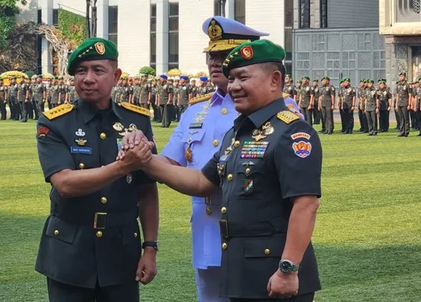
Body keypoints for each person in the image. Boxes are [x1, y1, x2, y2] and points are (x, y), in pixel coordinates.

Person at [119, 39, 321, 302]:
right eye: (232, 78)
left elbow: (305, 205)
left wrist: (288, 268)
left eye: (243, 78)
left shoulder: (292, 132)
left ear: (274, 80)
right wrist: (144, 159)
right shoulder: (238, 134)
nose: (234, 86)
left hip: (275, 272)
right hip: (239, 267)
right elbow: (202, 181)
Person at [35, 37, 159, 302]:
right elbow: (65, 184)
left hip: (121, 250)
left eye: (97, 70)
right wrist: (121, 166)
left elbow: (147, 189)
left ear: (116, 76)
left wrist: (150, 247)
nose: (88, 78)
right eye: (81, 71)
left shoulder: (136, 120)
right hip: (70, 252)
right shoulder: (56, 122)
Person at [396, 72, 411, 137]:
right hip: (399, 103)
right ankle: (401, 131)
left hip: (405, 103)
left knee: (406, 118)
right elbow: (397, 95)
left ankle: (406, 132)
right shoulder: (398, 85)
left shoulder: (407, 85)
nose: (401, 77)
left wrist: (409, 104)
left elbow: (410, 95)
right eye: (400, 76)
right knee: (401, 118)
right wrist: (396, 104)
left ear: (405, 77)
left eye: (402, 76)